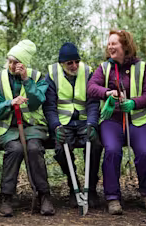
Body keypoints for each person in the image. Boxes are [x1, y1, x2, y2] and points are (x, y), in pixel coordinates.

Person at [88, 30, 146, 214]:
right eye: (109, 44)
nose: (110, 47)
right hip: (112, 120)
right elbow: (91, 88)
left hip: (137, 119)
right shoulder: (104, 68)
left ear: (125, 46)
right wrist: (107, 93)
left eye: (114, 43)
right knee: (111, 151)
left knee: (145, 152)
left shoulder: (142, 67)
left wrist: (133, 103)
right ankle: (112, 198)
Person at [0, 40, 55, 216]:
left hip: (32, 127)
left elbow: (36, 102)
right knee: (15, 149)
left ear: (24, 63)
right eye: (9, 61)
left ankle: (44, 195)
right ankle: (6, 197)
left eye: (16, 62)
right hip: (6, 128)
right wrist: (10, 103)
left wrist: (26, 80)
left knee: (34, 148)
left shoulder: (37, 76)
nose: (11, 65)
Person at [42, 42, 102, 208]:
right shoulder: (52, 75)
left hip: (84, 120)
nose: (74, 65)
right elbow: (49, 106)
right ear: (62, 63)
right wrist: (55, 126)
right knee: (61, 148)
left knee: (95, 144)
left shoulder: (88, 72)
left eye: (77, 61)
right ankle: (72, 186)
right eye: (70, 63)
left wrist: (92, 123)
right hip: (63, 123)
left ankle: (91, 189)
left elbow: (93, 102)